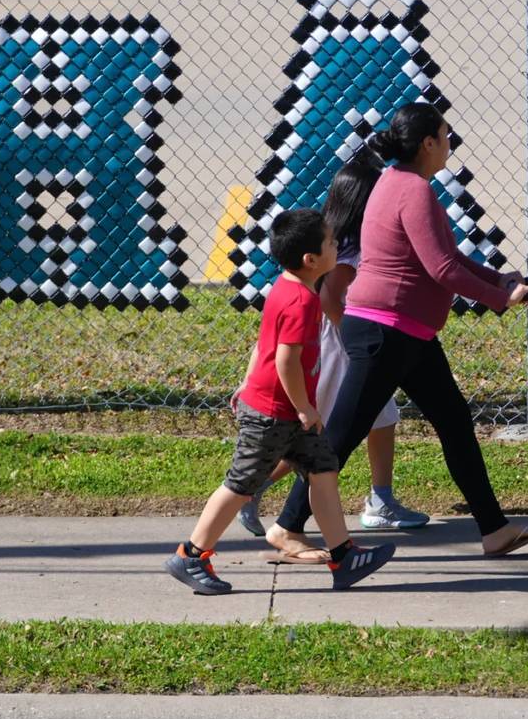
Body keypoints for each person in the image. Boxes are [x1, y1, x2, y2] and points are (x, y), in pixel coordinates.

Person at [265, 103, 528, 561]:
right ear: (427, 143)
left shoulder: (398, 183)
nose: (449, 145)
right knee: (340, 435)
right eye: (445, 135)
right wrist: (501, 299)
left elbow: (446, 257)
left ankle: (494, 530)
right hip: (385, 333)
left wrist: (498, 279)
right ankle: (285, 525)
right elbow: (441, 269)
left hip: (407, 334)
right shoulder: (413, 191)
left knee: (455, 422)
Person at [167, 209, 396, 593]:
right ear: (311, 260)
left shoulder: (288, 286)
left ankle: (343, 556)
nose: (336, 244)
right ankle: (191, 555)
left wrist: (247, 382)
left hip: (285, 411)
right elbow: (287, 360)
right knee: (241, 484)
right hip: (274, 414)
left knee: (324, 468)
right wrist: (306, 407)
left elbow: (264, 345)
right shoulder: (302, 303)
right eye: (330, 242)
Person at [237, 148, 432, 536]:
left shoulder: (337, 238)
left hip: (345, 340)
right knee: (320, 433)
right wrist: (353, 340)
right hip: (338, 345)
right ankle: (253, 488)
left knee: (382, 419)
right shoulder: (348, 248)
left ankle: (382, 498)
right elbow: (329, 300)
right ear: (365, 203)